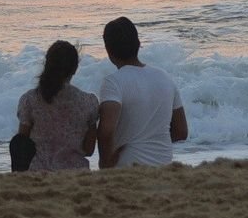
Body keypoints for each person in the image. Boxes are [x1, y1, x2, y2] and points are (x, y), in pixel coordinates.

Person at [97, 16, 188, 168]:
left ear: (108, 50)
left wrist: (106, 163)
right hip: (163, 168)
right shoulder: (164, 77)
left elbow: (106, 131)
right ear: (138, 44)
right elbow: (181, 131)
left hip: (128, 169)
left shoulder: (113, 82)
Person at [14, 40, 99, 171]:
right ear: (75, 69)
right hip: (77, 178)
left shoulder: (29, 100)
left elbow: (22, 146)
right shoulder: (89, 103)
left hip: (38, 176)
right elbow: (88, 150)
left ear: (47, 65)